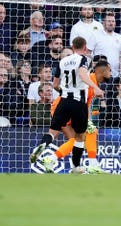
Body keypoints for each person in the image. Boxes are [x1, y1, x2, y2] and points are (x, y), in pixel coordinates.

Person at [29, 37, 103, 173]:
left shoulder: (62, 61)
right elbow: (81, 74)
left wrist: (64, 91)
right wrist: (95, 87)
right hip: (78, 102)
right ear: (85, 47)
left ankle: (41, 146)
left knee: (52, 133)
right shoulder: (84, 59)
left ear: (72, 47)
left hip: (63, 101)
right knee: (80, 137)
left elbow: (55, 85)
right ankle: (75, 167)